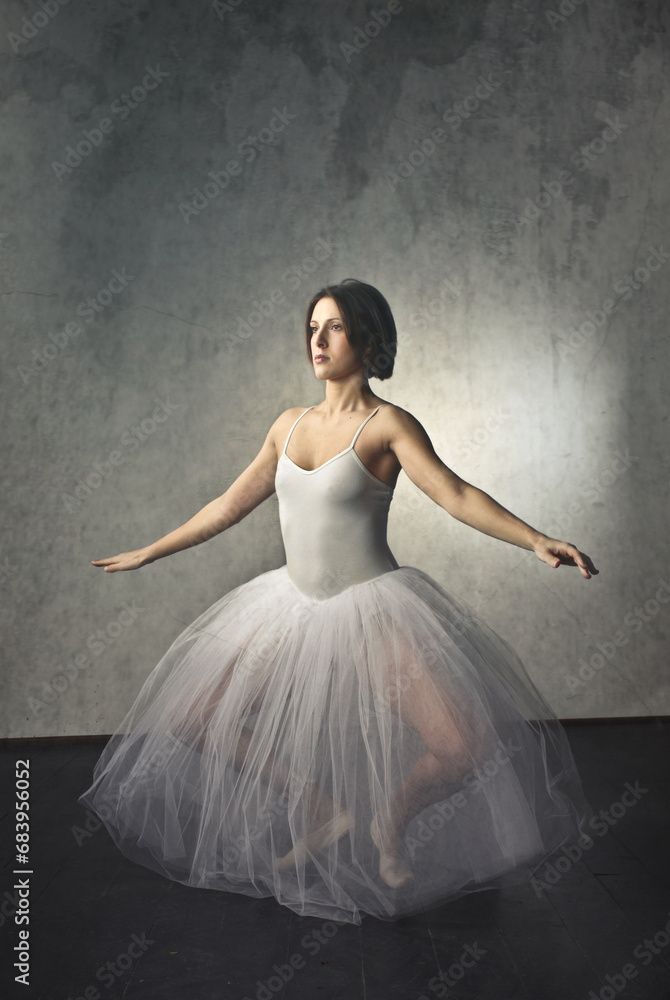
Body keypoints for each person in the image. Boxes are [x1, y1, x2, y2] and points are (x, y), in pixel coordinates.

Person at [79, 278, 598, 926]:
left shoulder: (388, 426)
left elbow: (456, 494)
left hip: (371, 608)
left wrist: (535, 539)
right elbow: (226, 507)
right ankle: (322, 808)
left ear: (368, 340)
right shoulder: (287, 426)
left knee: (464, 745)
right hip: (289, 605)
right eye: (312, 328)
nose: (317, 341)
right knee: (191, 715)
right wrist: (151, 550)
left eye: (334, 328)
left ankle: (390, 819)